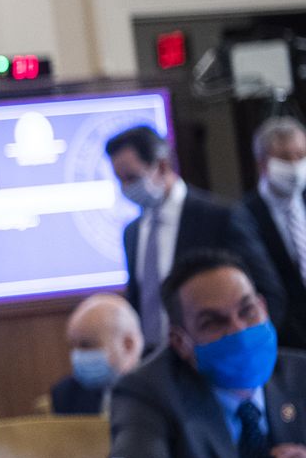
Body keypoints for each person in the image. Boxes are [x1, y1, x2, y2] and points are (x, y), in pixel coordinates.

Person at [109, 251, 306, 458]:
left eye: (247, 311)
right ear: (180, 341)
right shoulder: (147, 390)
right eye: (213, 322)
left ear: (263, 307)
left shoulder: (300, 373)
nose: (238, 330)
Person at [106, 125, 285, 351]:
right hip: (155, 361)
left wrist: (246, 351)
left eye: (132, 178)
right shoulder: (132, 233)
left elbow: (269, 293)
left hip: (217, 356)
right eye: (120, 180)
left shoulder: (219, 217)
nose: (126, 188)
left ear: (162, 165)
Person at [238, 116, 306, 350]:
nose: (295, 165)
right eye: (285, 157)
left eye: (301, 155)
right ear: (262, 163)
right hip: (284, 337)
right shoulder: (244, 215)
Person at [47, 294, 143, 415]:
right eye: (73, 346)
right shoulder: (66, 395)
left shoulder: (161, 388)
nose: (78, 355)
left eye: (86, 345)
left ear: (127, 345)